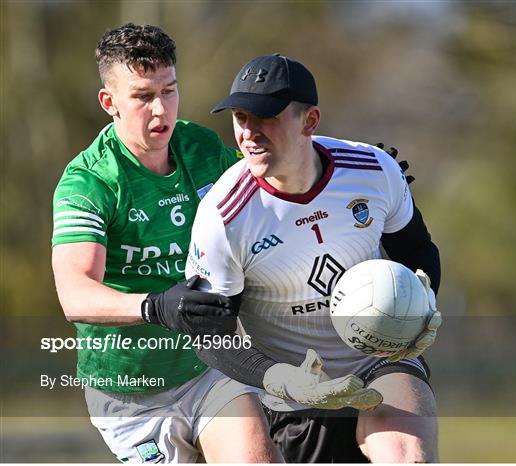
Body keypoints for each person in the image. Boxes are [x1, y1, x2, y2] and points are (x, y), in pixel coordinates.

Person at [51, 25, 388, 463]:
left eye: (169, 91)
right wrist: (154, 306)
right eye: (142, 96)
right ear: (109, 102)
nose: (161, 109)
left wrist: (349, 168)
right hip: (129, 395)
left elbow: (276, 175)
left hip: (209, 368)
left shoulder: (202, 148)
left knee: (256, 457)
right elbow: (74, 293)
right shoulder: (90, 182)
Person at [185, 53, 442, 463]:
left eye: (265, 117)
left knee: (406, 454)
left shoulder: (374, 170)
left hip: (381, 361)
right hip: (294, 395)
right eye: (239, 117)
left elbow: (417, 251)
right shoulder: (223, 215)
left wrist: (424, 302)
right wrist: (281, 379)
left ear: (310, 121)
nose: (248, 133)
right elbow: (207, 333)